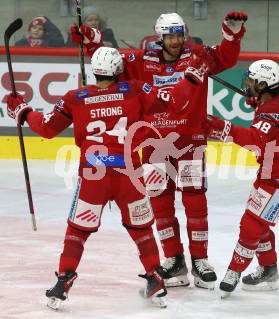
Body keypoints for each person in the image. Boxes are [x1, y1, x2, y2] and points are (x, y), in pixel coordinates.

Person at [5, 47, 207, 310]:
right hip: (128, 175)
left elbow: (45, 127)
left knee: (77, 231)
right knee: (142, 229)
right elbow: (173, 101)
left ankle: (63, 280)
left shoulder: (75, 97)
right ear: (118, 71)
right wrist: (190, 79)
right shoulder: (134, 90)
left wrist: (21, 110)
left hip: (94, 175)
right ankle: (155, 278)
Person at [69, 11, 248, 290]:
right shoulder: (142, 59)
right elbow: (110, 63)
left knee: (195, 203)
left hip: (190, 140)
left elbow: (226, 56)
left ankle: (200, 261)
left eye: (179, 35)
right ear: (160, 37)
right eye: (170, 36)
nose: (176, 41)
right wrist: (92, 42)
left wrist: (232, 35)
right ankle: (174, 261)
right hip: (153, 145)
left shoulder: (198, 56)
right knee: (160, 204)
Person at [203, 59, 279, 297]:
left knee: (251, 224)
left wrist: (222, 129)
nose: (247, 84)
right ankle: (268, 269)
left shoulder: (273, 111)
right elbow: (272, 108)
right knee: (259, 222)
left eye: (251, 81)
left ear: (263, 84)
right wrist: (258, 101)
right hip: (277, 167)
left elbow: (254, 139)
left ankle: (234, 270)